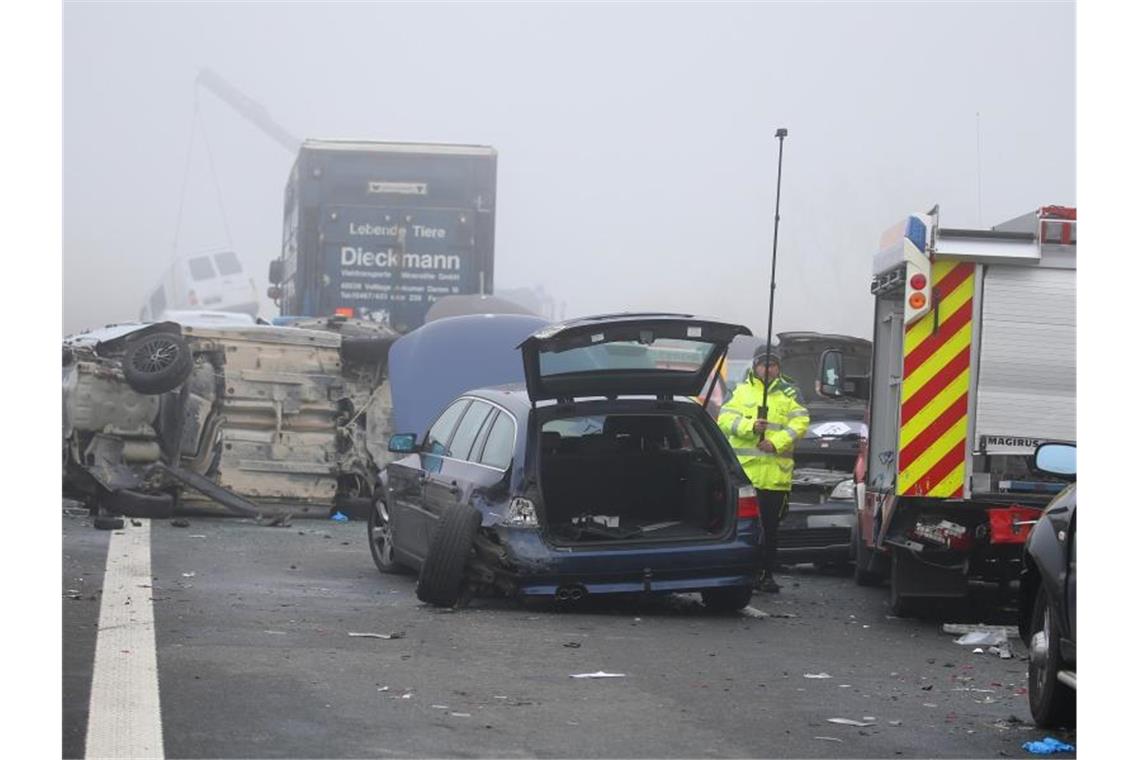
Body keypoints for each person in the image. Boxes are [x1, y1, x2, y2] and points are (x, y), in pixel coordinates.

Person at [716, 342, 810, 593]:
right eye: (763, 364)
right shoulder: (739, 390)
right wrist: (750, 427)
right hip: (745, 477)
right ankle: (743, 572)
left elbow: (800, 423)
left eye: (772, 364)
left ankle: (767, 575)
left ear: (778, 367)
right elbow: (724, 420)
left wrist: (776, 443)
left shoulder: (791, 394)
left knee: (770, 530)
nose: (767, 369)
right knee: (743, 529)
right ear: (755, 365)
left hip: (775, 478)